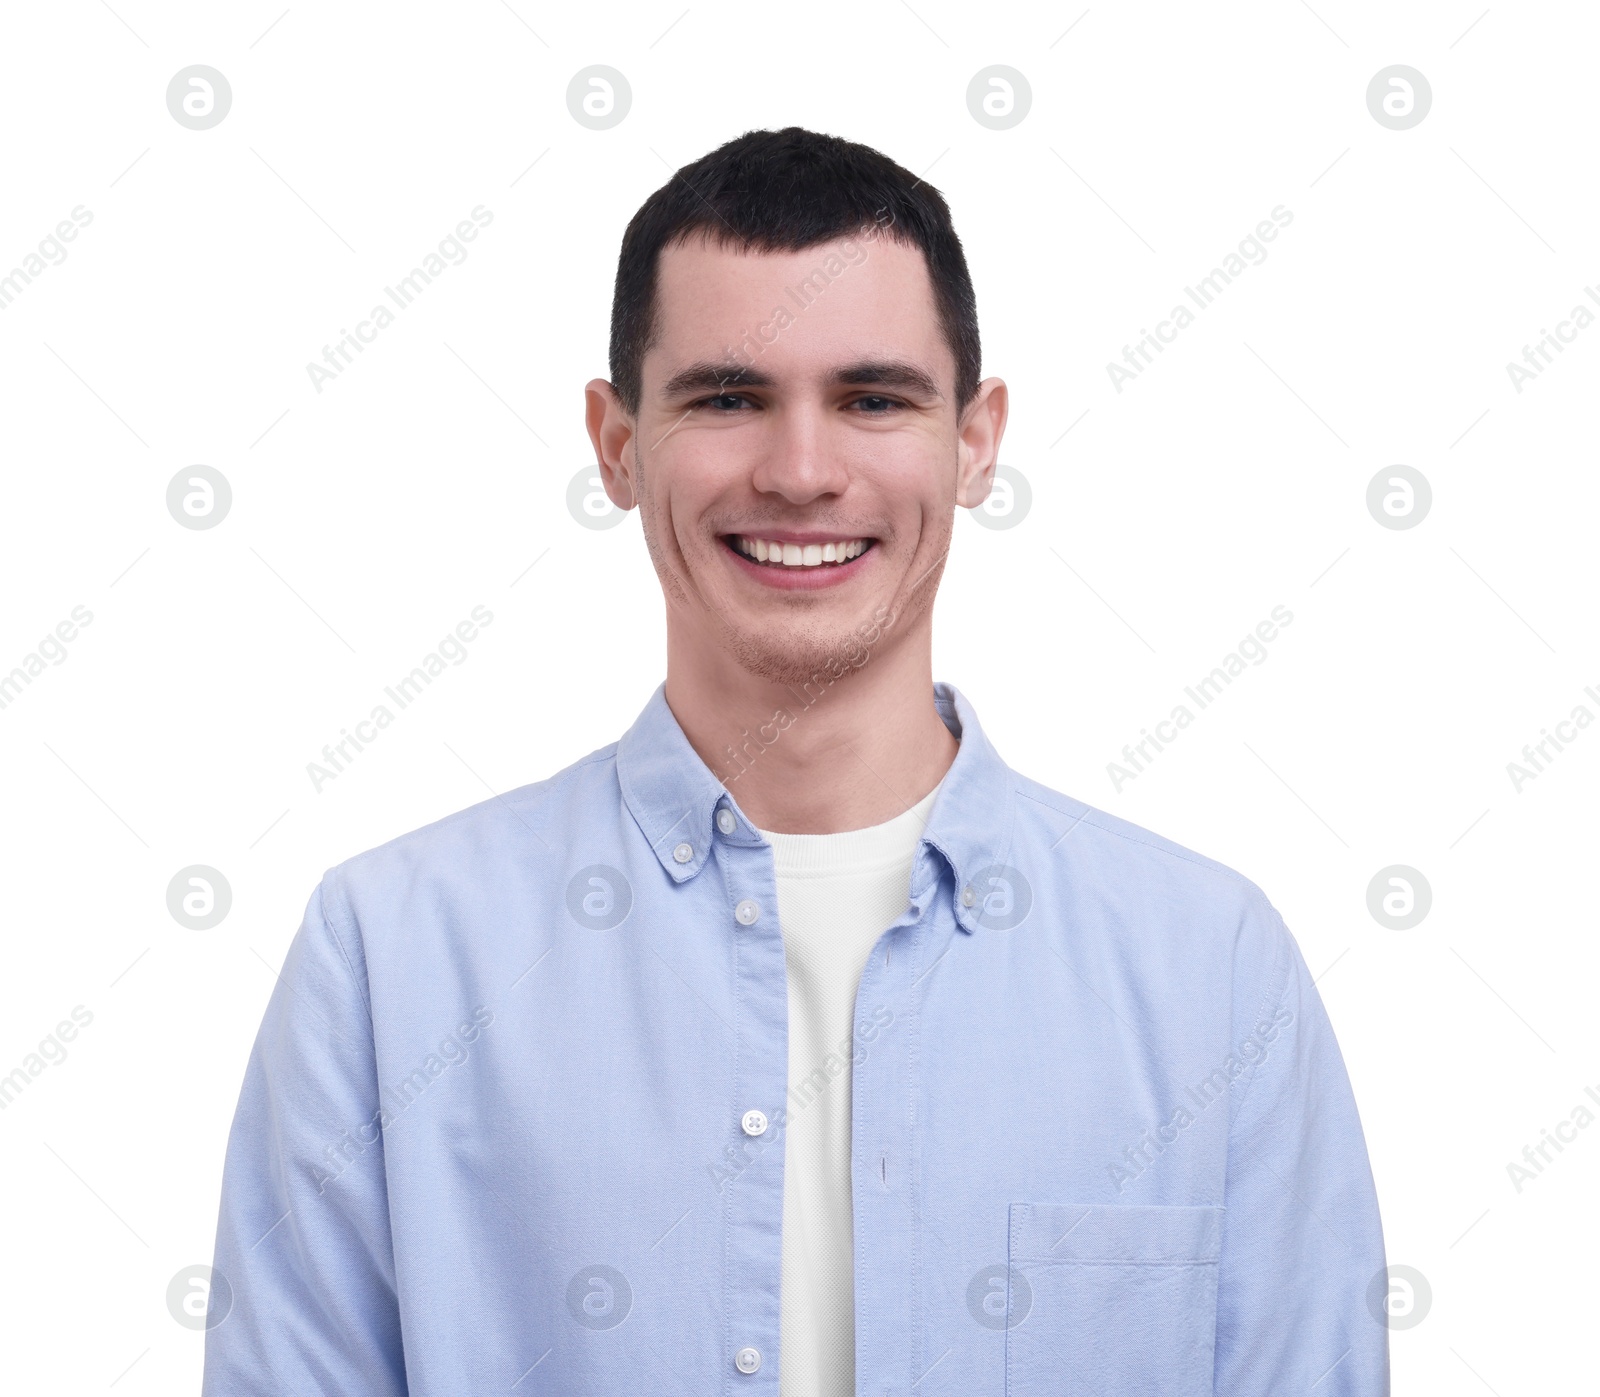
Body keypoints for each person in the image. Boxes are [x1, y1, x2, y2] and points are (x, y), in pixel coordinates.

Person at [204, 126, 1389, 1395]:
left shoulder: (1208, 967)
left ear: (975, 441)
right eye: (728, 397)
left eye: (873, 399)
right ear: (616, 443)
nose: (803, 471)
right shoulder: (392, 956)